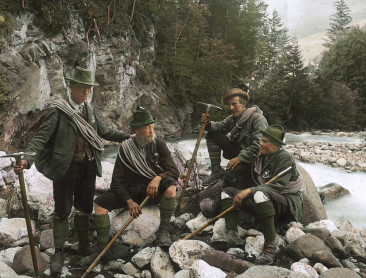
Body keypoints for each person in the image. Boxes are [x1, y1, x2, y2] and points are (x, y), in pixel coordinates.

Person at [13, 66, 131, 274]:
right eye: (81, 88)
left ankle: (83, 245)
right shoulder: (57, 110)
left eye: (88, 89)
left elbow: (105, 131)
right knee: (62, 210)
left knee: (84, 207)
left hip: (88, 166)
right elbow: (41, 138)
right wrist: (26, 160)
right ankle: (59, 252)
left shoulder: (90, 111)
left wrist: (126, 137)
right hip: (65, 168)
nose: (85, 93)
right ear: (71, 86)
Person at [79, 107, 179, 266]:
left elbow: (174, 171)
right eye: (147, 128)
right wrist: (129, 201)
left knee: (171, 186)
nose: (151, 131)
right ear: (137, 130)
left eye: (152, 127)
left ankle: (163, 231)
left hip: (151, 193)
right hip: (131, 193)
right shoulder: (125, 149)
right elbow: (116, 182)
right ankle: (101, 249)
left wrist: (158, 178)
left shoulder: (159, 145)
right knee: (99, 203)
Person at [216, 125, 304, 265]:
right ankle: (232, 235)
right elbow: (245, 164)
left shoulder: (285, 158)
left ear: (275, 144)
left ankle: (270, 248)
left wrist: (249, 191)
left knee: (260, 194)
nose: (260, 143)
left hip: (287, 204)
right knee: (227, 193)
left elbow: (276, 187)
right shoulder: (261, 156)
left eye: (264, 141)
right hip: (268, 198)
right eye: (261, 140)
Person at [200, 88, 268, 187]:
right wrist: (208, 123)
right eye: (229, 105)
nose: (231, 108)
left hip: (253, 159)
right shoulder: (232, 119)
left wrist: (240, 158)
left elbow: (259, 146)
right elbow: (219, 126)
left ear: (243, 104)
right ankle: (216, 170)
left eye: (234, 104)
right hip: (238, 153)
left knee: (229, 175)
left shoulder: (257, 119)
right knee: (212, 134)